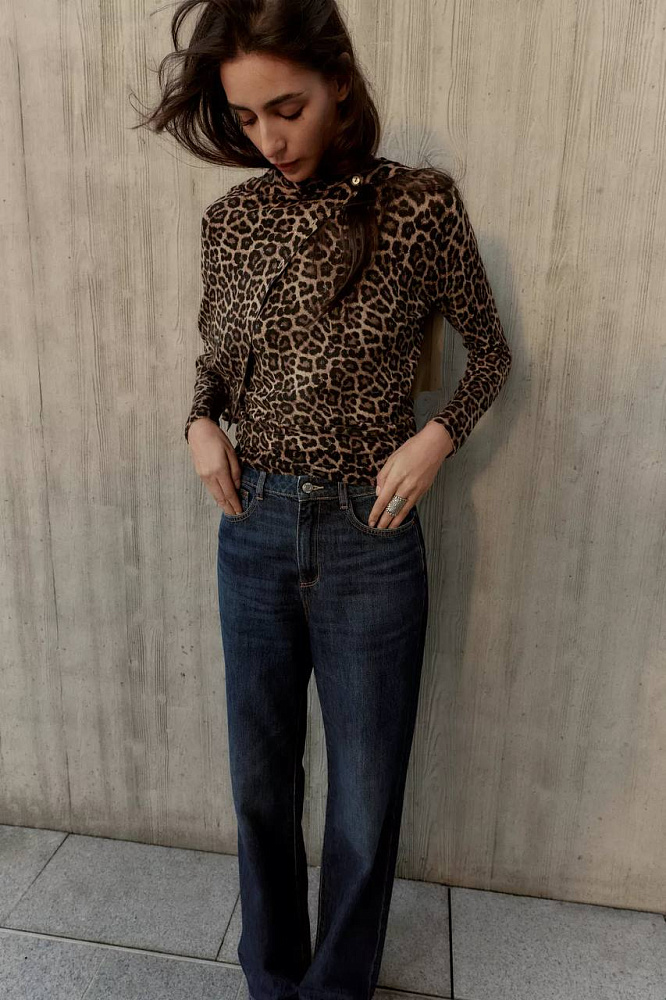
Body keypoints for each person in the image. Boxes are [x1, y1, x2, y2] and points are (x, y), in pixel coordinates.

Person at [138, 2, 511, 998]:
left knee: (364, 796)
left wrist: (436, 437)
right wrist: (198, 424)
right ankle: (271, 981)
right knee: (260, 783)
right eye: (247, 117)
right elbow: (217, 369)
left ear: (339, 81)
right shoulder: (232, 223)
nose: (269, 138)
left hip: (369, 535)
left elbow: (491, 352)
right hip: (252, 526)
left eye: (288, 108)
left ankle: (335, 988)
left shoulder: (419, 206)